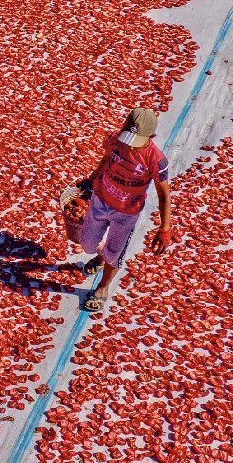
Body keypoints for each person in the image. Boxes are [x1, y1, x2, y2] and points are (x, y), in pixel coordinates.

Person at [79, 108, 172, 311]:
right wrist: (92, 178)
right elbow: (106, 159)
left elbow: (164, 193)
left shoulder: (156, 160)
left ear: (151, 137)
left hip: (126, 213)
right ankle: (101, 257)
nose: (129, 144)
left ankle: (103, 288)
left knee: (115, 252)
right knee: (87, 244)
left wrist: (165, 229)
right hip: (100, 200)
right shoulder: (115, 140)